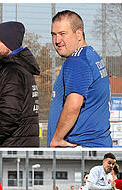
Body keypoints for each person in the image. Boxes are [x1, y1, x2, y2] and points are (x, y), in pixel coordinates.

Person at [47, 10, 111, 147]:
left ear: (79, 34)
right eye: (54, 35)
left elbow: (74, 105)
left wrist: (57, 138)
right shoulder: (91, 55)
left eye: (63, 34)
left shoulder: (76, 61)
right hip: (96, 143)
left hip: (80, 145)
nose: (57, 41)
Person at [0, 21, 41, 147]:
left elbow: (8, 116)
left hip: (11, 148)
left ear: (9, 43)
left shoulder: (11, 72)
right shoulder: (19, 69)